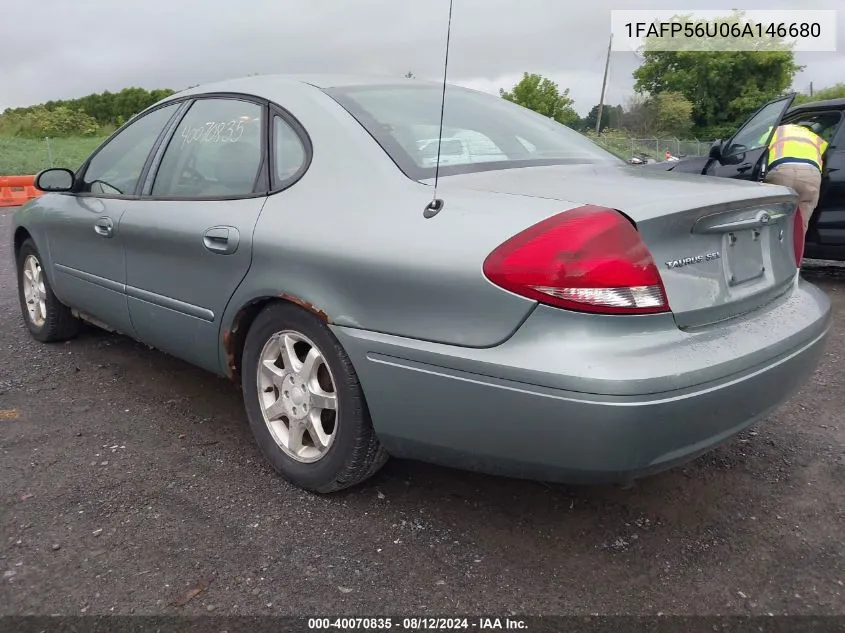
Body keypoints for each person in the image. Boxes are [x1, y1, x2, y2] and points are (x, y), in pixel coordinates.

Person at [763, 123, 828, 236]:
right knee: (801, 224)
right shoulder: (815, 138)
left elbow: (756, 152)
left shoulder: (775, 130)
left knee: (774, 218)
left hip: (783, 171)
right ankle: (794, 252)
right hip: (811, 175)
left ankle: (771, 250)